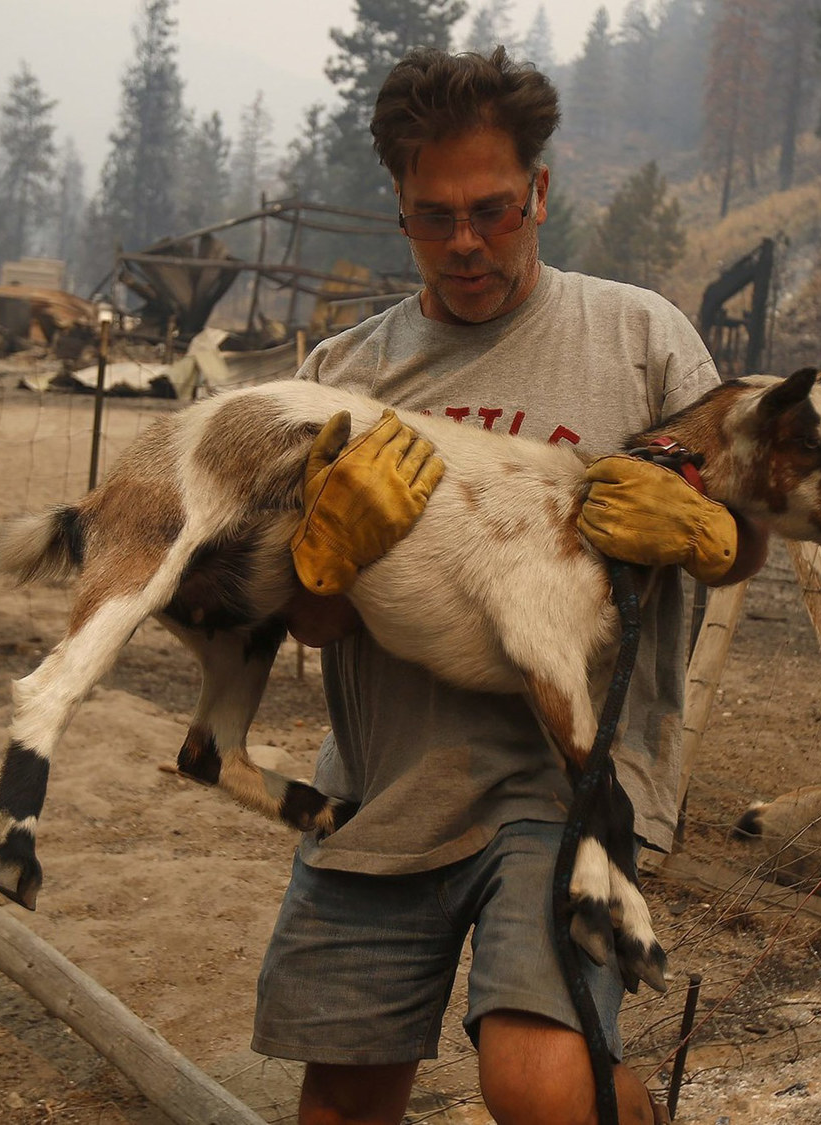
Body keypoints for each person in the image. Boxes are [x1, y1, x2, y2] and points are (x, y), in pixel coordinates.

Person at [251, 46, 766, 1125]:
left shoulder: (639, 344)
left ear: (539, 189)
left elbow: (750, 538)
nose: (468, 243)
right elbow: (314, 625)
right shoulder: (345, 379)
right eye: (434, 216)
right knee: (341, 1101)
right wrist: (324, 557)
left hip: (566, 778)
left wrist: (713, 535)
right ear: (399, 208)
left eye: (493, 208)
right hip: (385, 782)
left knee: (535, 1084)